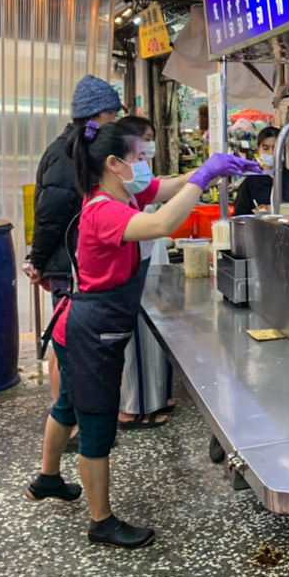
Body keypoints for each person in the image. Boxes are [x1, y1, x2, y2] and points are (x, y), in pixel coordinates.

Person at [25, 121, 261, 548]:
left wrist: (211, 170)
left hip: (79, 324)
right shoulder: (104, 211)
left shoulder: (124, 193)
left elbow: (166, 188)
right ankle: (101, 522)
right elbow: (161, 225)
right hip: (92, 332)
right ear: (114, 165)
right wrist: (204, 176)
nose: (146, 166)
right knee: (96, 425)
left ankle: (47, 478)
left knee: (66, 405)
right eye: (139, 158)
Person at [26, 75, 123, 424]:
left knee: (65, 346)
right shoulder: (71, 153)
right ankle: (66, 419)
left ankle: (67, 418)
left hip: (66, 263)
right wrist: (37, 260)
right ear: (99, 115)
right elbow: (51, 214)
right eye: (113, 115)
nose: (116, 123)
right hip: (67, 266)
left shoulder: (70, 147)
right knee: (66, 350)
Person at [115, 115, 173, 429]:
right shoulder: (114, 191)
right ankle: (132, 408)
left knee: (152, 337)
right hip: (134, 271)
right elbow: (160, 222)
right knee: (137, 340)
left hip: (148, 260)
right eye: (144, 140)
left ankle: (151, 401)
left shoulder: (139, 176)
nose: (150, 145)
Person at [232, 126, 289, 215]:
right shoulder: (249, 183)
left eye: (276, 148)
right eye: (266, 148)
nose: (271, 152)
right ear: (258, 150)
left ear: (283, 149)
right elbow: (241, 216)